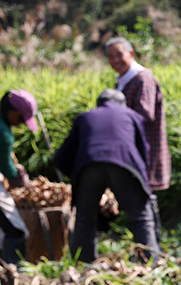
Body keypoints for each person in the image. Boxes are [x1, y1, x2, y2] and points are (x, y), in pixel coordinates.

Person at [54, 89, 161, 264]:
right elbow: (144, 153)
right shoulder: (133, 116)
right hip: (125, 165)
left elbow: (61, 157)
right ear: (123, 104)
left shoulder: (84, 117)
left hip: (89, 167)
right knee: (141, 216)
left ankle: (84, 265)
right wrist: (141, 182)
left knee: (85, 218)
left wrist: (74, 176)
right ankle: (149, 263)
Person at [105, 37, 170, 226]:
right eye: (111, 57)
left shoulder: (142, 78)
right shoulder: (123, 80)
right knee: (140, 197)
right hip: (133, 148)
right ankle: (148, 242)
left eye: (119, 55)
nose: (115, 61)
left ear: (131, 54)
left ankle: (152, 244)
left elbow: (144, 114)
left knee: (145, 197)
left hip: (146, 148)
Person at [0, 90, 38, 264]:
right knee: (16, 230)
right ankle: (14, 276)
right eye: (21, 119)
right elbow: (6, 167)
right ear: (13, 112)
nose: (20, 124)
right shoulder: (4, 132)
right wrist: (17, 176)